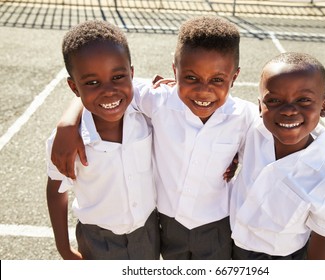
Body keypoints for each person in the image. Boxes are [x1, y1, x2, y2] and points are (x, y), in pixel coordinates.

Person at [51, 16, 258, 260]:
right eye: (191, 78)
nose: (204, 90)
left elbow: (277, 140)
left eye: (217, 80)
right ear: (175, 71)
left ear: (234, 77)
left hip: (217, 225)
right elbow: (104, 90)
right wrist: (68, 122)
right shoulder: (159, 100)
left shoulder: (246, 117)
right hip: (167, 226)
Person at [46, 20, 159, 260]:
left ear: (132, 73)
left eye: (118, 77)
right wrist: (63, 248)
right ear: (74, 87)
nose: (108, 90)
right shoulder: (64, 141)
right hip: (97, 239)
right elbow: (56, 190)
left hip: (148, 232)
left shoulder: (147, 113)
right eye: (92, 83)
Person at [230, 52, 325, 260]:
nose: (288, 110)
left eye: (304, 100)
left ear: (323, 106)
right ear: (260, 106)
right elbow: (216, 102)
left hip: (279, 257)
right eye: (275, 100)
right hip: (230, 240)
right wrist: (175, 89)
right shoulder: (252, 128)